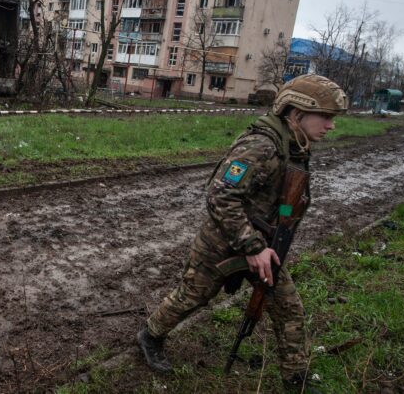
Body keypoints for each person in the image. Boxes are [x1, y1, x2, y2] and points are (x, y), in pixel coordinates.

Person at [137, 74, 348, 393]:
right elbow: (220, 195)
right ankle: (150, 336)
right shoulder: (261, 145)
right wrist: (251, 245)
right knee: (192, 296)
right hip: (222, 243)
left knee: (287, 306)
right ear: (297, 113)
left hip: (263, 245)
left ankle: (296, 378)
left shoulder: (294, 146)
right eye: (327, 116)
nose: (331, 125)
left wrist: (274, 236)